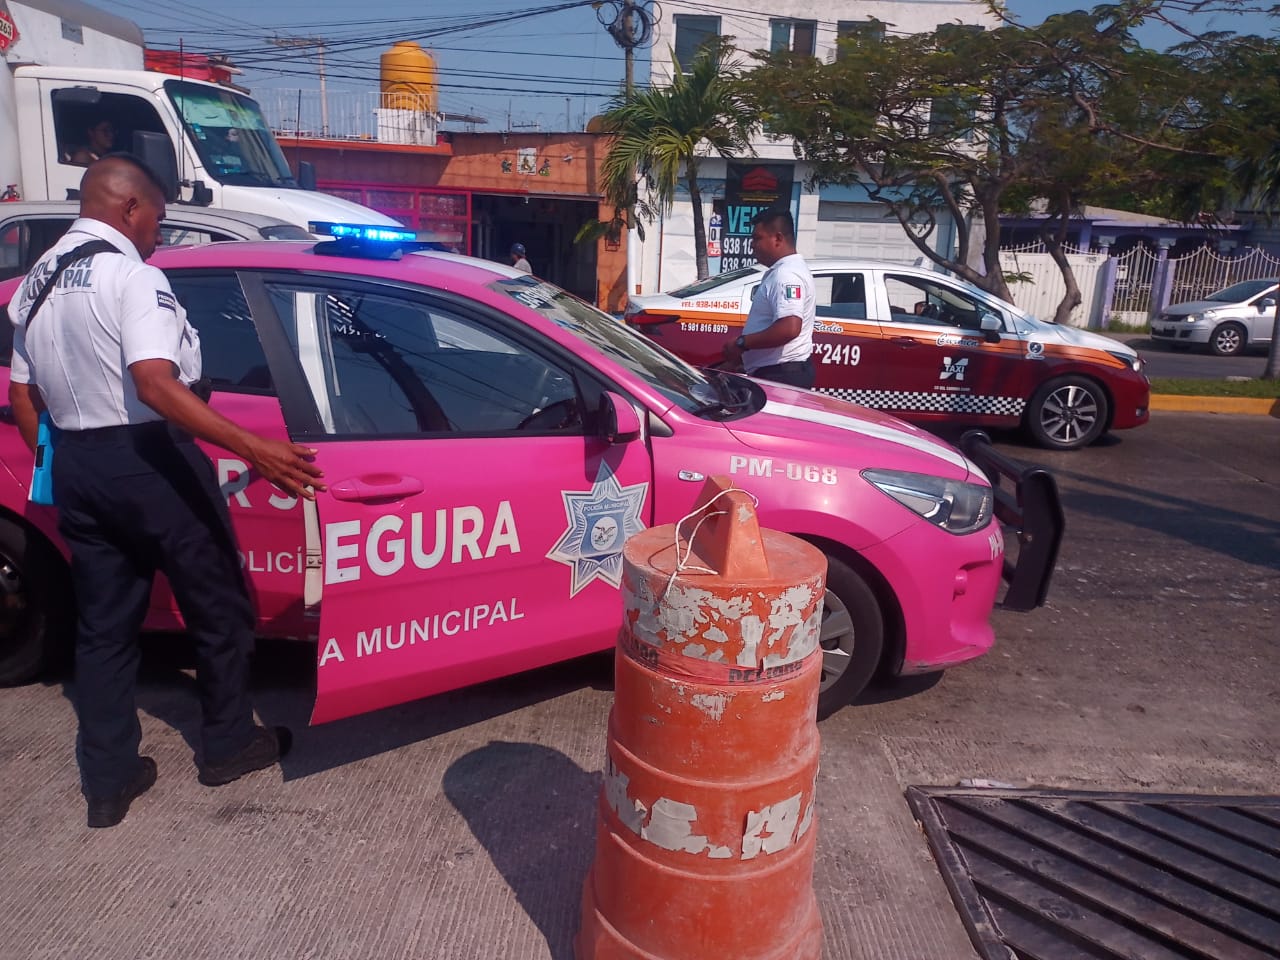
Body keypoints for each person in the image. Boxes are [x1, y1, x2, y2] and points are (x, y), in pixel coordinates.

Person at [7, 155, 325, 828]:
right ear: (127, 208)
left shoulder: (34, 285)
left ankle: (109, 780)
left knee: (104, 629)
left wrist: (60, 464)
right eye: (155, 216)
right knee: (221, 605)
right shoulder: (132, 275)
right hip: (151, 458)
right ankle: (229, 744)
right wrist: (256, 448)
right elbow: (155, 382)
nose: (158, 231)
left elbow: (23, 396)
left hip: (79, 464)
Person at [722, 209, 816, 388]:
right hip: (778, 372)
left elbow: (789, 328)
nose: (752, 245)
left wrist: (742, 343)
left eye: (757, 238)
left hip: (781, 375)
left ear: (778, 239)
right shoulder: (784, 271)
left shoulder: (787, 275)